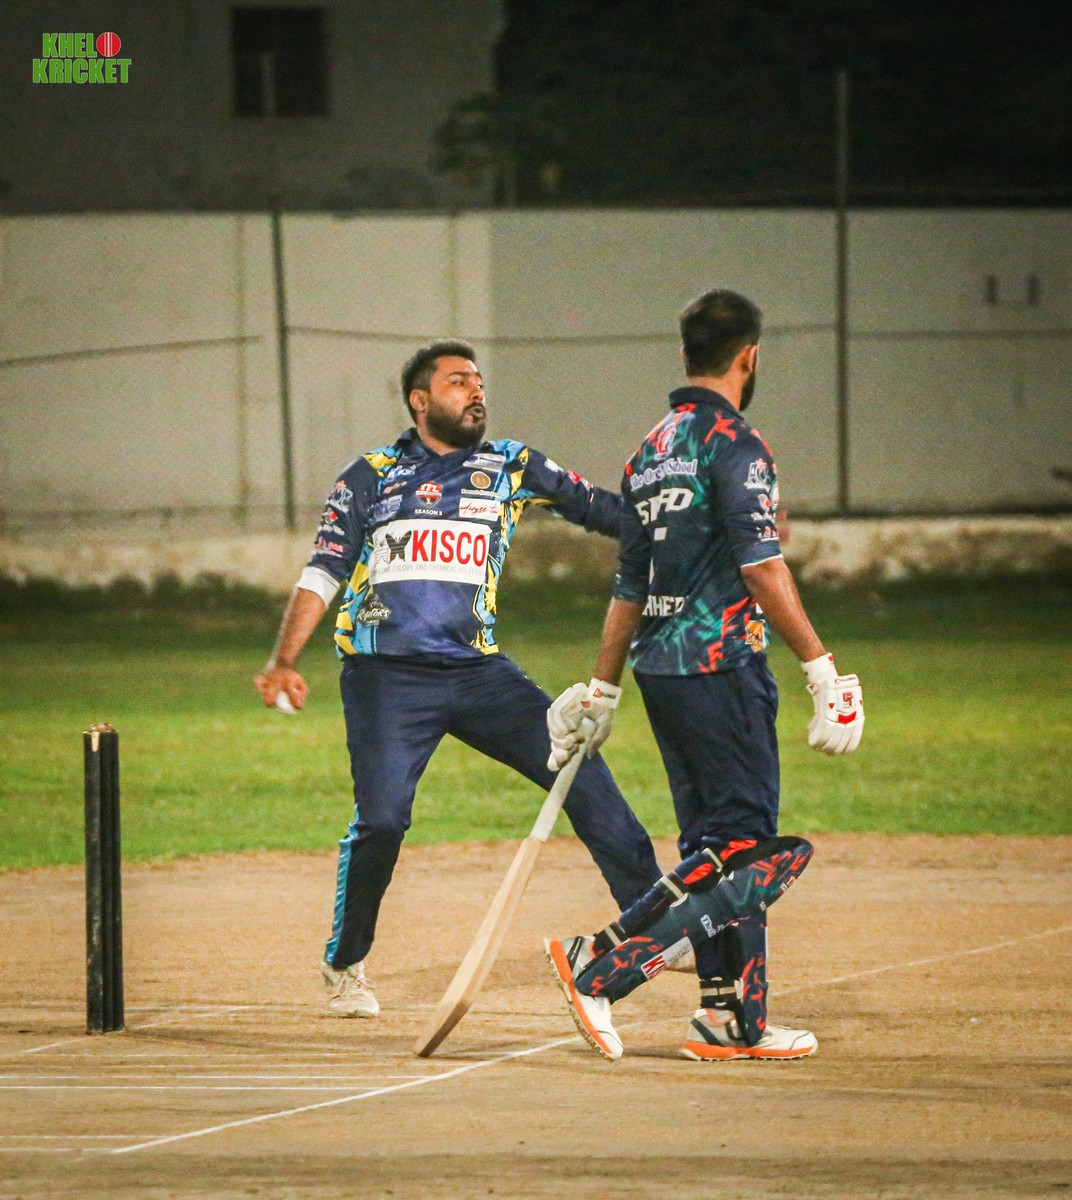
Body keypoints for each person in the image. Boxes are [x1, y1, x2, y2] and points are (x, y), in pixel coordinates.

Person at [254, 339, 662, 1019]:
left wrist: (692, 526)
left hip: (479, 674)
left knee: (582, 774)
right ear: (420, 401)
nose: (476, 392)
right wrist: (284, 659)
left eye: (478, 382)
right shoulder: (371, 475)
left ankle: (656, 924)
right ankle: (345, 963)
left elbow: (606, 511)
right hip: (386, 677)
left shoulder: (510, 465)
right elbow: (324, 569)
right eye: (457, 382)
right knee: (382, 821)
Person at [543, 289, 864, 1062]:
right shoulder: (736, 444)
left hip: (662, 671)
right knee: (757, 853)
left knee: (718, 849)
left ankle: (730, 1017)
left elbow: (629, 583)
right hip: (722, 666)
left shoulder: (650, 451)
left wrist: (604, 688)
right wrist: (824, 672)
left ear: (686, 353)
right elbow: (761, 565)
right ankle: (602, 963)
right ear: (749, 357)